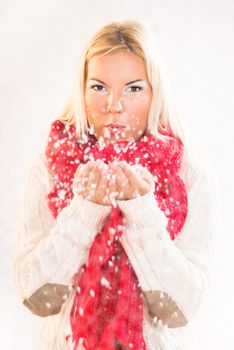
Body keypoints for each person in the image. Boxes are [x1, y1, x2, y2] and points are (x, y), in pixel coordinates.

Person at [12, 20, 218, 350]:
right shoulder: (50, 169)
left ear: (155, 94)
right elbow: (37, 297)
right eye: (99, 87)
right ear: (82, 90)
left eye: (134, 88)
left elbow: (181, 307)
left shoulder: (190, 175)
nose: (114, 105)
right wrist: (85, 209)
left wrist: (141, 211)